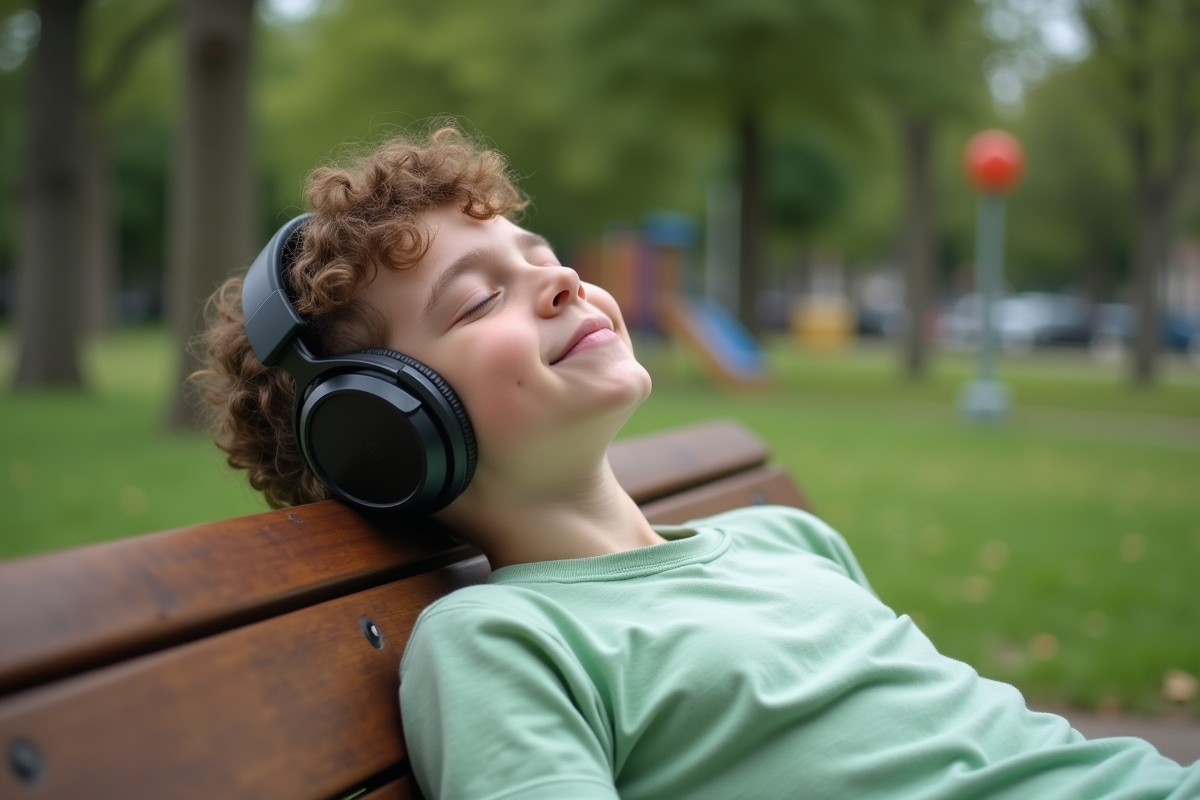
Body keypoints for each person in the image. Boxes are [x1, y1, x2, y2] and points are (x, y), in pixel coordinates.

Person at [200, 126, 1199, 800]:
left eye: (543, 255)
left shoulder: (786, 537)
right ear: (384, 427)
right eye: (477, 298)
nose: (559, 283)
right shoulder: (505, 642)